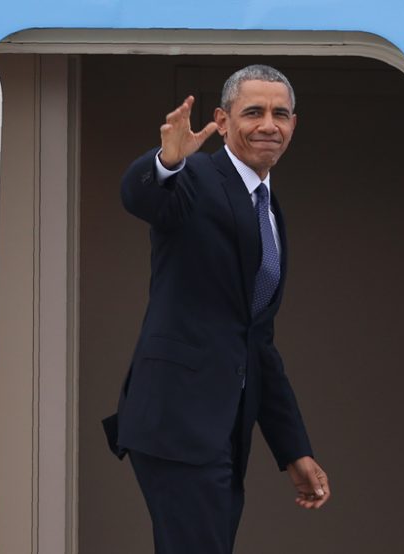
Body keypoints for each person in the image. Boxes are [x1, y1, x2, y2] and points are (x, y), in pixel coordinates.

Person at [101, 65, 330, 553]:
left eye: (281, 114)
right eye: (254, 112)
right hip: (176, 418)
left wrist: (294, 449)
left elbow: (257, 341)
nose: (269, 124)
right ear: (222, 122)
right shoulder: (197, 177)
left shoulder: (268, 209)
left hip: (224, 426)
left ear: (293, 124)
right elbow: (141, 195)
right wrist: (167, 159)